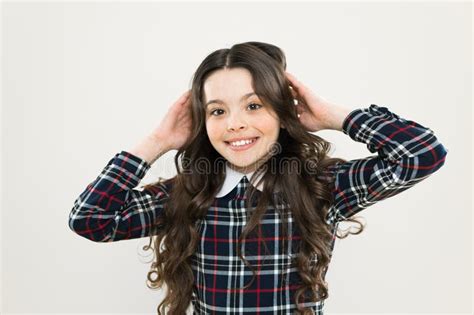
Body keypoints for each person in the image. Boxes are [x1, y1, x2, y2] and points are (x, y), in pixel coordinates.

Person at [68, 41, 448, 315]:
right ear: (203, 122)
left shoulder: (321, 186)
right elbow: (91, 220)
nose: (235, 124)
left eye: (254, 105)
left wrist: (333, 116)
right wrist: (156, 142)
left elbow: (421, 154)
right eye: (217, 111)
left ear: (283, 113)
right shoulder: (187, 193)